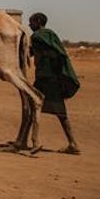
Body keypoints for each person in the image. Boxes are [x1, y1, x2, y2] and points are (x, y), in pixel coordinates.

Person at [29, 12, 80, 155]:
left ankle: (34, 142)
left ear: (38, 21)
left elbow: (34, 53)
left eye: (31, 22)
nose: (29, 25)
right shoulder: (51, 35)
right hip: (53, 78)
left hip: (46, 79)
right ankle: (72, 143)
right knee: (60, 113)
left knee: (32, 107)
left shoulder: (38, 36)